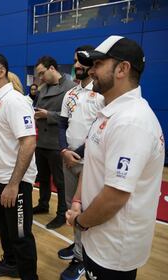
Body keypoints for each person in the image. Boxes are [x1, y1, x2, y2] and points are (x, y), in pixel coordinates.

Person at [66, 35, 165, 280]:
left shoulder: (131, 121)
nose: (91, 70)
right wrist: (78, 199)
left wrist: (81, 222)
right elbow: (92, 162)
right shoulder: (110, 111)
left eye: (99, 64)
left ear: (122, 69)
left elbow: (115, 195)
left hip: (113, 248)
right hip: (97, 237)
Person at [0, 52, 38, 280]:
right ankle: (11, 264)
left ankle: (29, 276)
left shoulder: (15, 101)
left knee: (21, 236)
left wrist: (14, 184)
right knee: (4, 229)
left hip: (14, 184)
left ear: (1, 72)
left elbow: (29, 142)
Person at [57, 45, 104, 280]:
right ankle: (78, 247)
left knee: (85, 210)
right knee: (71, 206)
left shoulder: (102, 94)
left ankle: (82, 258)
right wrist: (65, 150)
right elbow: (62, 124)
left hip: (90, 163)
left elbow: (100, 130)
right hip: (69, 160)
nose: (76, 65)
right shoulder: (70, 94)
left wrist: (76, 151)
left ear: (93, 65)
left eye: (81, 62)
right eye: (75, 61)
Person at [33, 56, 76, 229]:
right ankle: (43, 204)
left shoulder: (71, 88)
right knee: (42, 178)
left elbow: (72, 117)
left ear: (52, 68)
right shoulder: (43, 88)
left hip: (57, 142)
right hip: (41, 141)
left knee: (60, 181)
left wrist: (48, 115)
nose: (40, 78)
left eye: (42, 73)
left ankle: (61, 213)